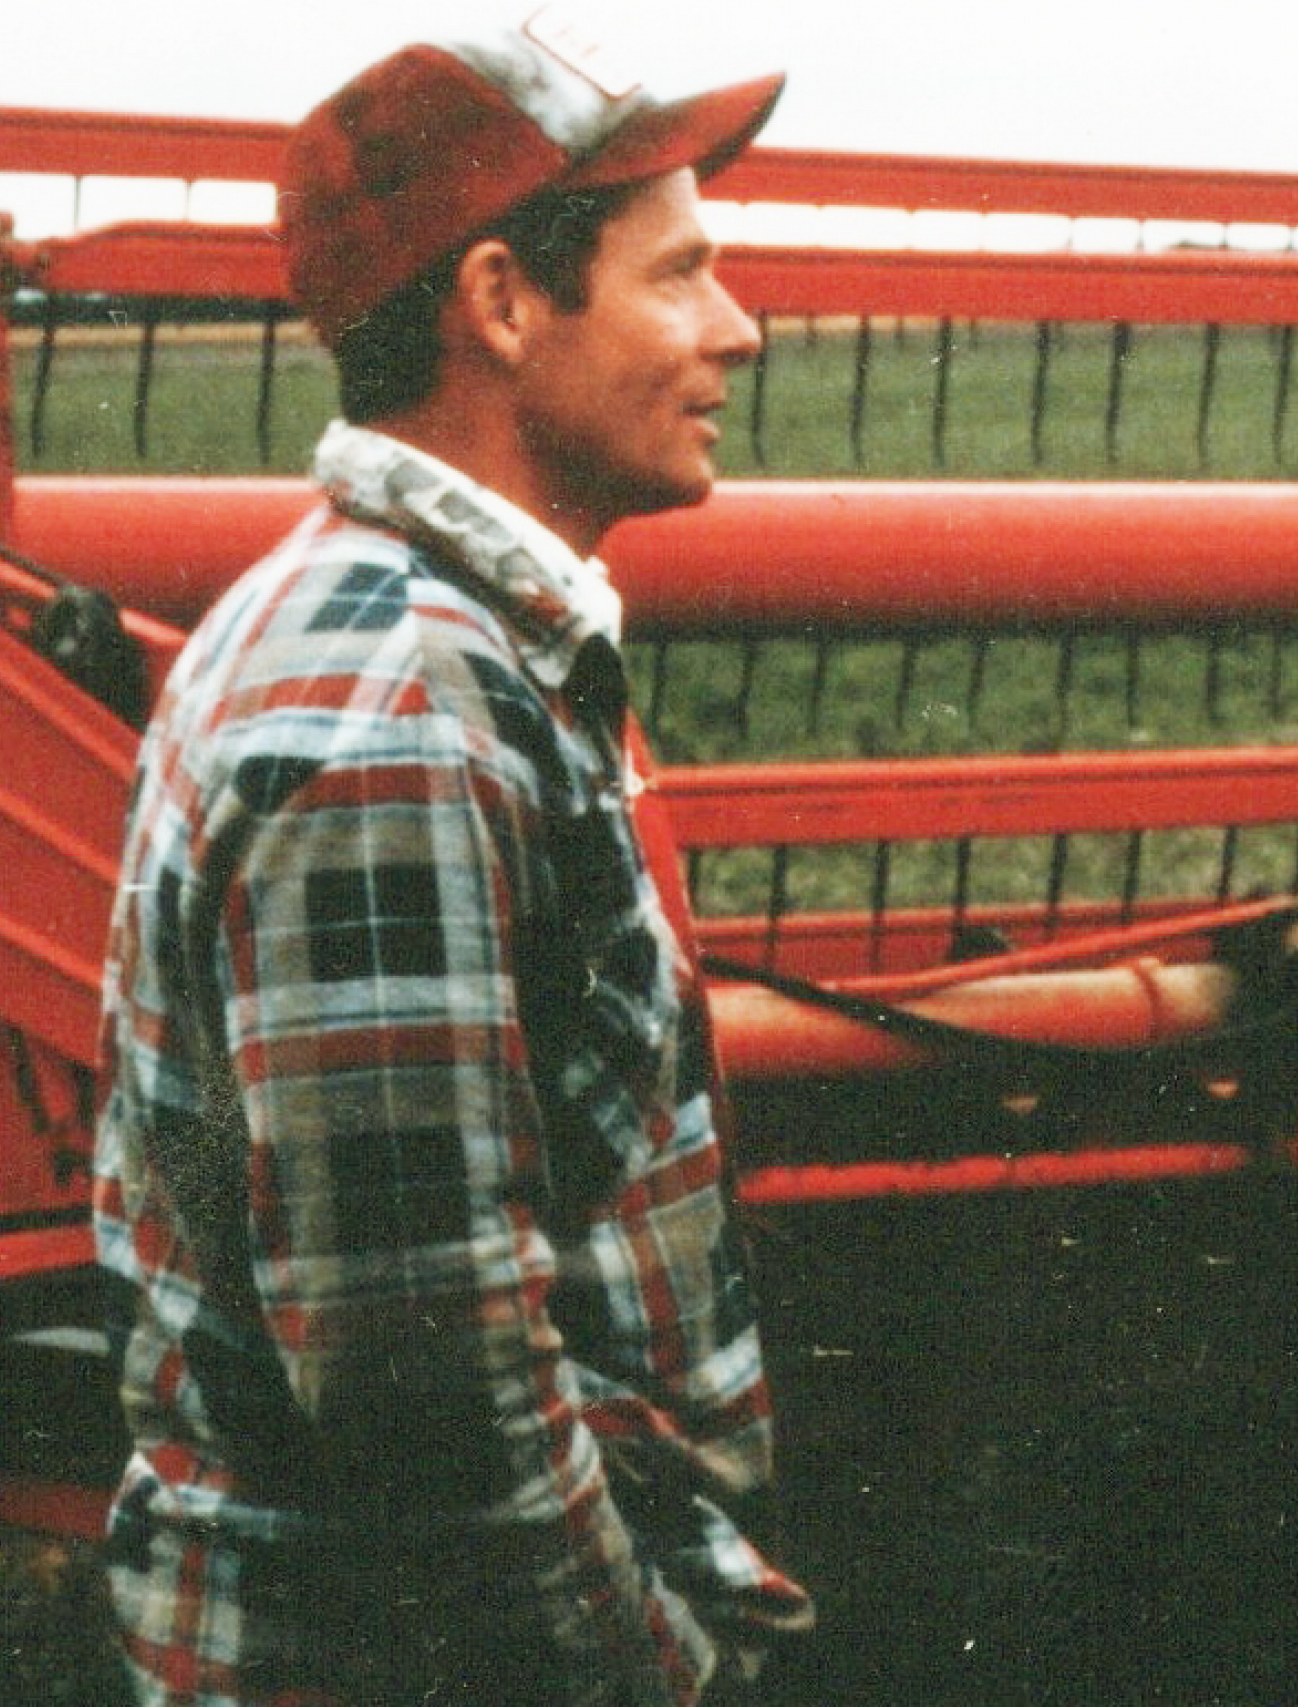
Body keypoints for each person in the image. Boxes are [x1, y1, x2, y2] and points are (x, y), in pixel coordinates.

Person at [92, 12, 813, 1703]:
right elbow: (432, 1396)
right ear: (500, 304)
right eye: (676, 276)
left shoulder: (385, 626)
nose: (739, 327)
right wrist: (657, 1676)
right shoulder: (400, 707)